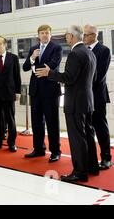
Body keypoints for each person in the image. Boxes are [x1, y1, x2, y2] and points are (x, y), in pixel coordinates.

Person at [36, 25, 99, 183]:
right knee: (88, 135)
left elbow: (69, 77)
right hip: (87, 101)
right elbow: (94, 78)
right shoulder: (90, 52)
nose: (65, 38)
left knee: (77, 138)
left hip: (76, 103)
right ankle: (92, 166)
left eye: (66, 35)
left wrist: (49, 73)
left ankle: (79, 172)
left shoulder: (75, 54)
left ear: (72, 36)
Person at [23, 25, 62, 162]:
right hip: (36, 91)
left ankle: (55, 151)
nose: (45, 35)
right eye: (42, 33)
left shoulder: (56, 48)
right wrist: (32, 59)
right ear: (38, 35)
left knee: (52, 122)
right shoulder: (33, 48)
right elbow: (25, 67)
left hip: (50, 90)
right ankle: (38, 149)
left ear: (51, 35)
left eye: (47, 33)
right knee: (37, 122)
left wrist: (36, 67)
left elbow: (53, 65)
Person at [83, 24, 112, 170]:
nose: (83, 37)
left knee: (100, 127)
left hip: (97, 96)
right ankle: (90, 158)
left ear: (94, 35)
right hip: (84, 96)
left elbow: (99, 76)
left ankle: (106, 157)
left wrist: (79, 81)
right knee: (88, 129)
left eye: (86, 35)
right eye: (83, 34)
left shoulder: (104, 51)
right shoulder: (83, 50)